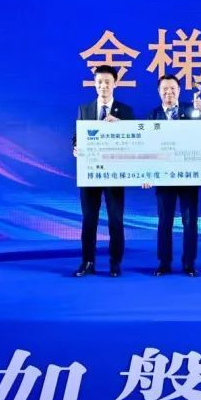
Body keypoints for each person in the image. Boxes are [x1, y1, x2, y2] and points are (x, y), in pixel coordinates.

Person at [144, 75, 201, 277]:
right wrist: (146, 173)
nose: (169, 92)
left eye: (173, 88)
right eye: (165, 89)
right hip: (163, 178)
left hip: (188, 176)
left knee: (190, 222)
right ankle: (164, 263)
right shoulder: (152, 116)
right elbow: (146, 147)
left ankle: (189, 264)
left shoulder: (191, 110)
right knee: (165, 222)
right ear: (159, 91)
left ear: (179, 91)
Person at [73, 64, 135, 278]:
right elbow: (77, 136)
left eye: (107, 82)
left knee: (116, 220)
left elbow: (136, 140)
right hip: (90, 173)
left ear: (115, 84)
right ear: (94, 84)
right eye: (99, 82)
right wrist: (75, 147)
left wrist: (121, 126)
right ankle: (87, 262)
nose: (103, 86)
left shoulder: (125, 111)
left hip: (114, 174)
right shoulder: (85, 109)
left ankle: (115, 263)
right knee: (89, 219)